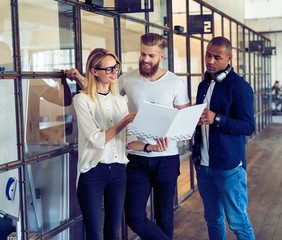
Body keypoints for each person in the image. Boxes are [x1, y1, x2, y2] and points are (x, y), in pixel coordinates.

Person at [67, 33, 190, 240]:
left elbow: (184, 119)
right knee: (130, 218)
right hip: (129, 161)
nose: (145, 59)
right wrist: (82, 79)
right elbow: (98, 95)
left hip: (159, 158)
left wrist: (160, 142)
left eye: (151, 55)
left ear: (161, 56)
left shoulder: (173, 83)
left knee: (164, 217)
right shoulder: (125, 81)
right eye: (142, 54)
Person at [192, 36, 255, 240]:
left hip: (229, 167)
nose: (211, 61)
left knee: (237, 220)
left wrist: (217, 118)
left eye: (217, 57)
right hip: (204, 165)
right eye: (208, 55)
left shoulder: (240, 87)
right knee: (213, 218)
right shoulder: (203, 86)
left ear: (229, 58)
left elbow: (248, 126)